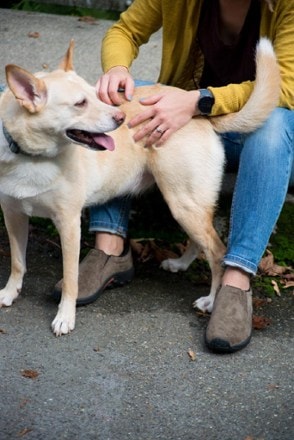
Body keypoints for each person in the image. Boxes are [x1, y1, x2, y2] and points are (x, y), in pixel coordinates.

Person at [54, 0, 294, 353]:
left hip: (259, 132)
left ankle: (236, 277)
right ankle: (110, 246)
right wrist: (118, 69)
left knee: (274, 126)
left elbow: (286, 88)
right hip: (185, 127)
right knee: (123, 99)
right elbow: (125, 30)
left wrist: (199, 101)